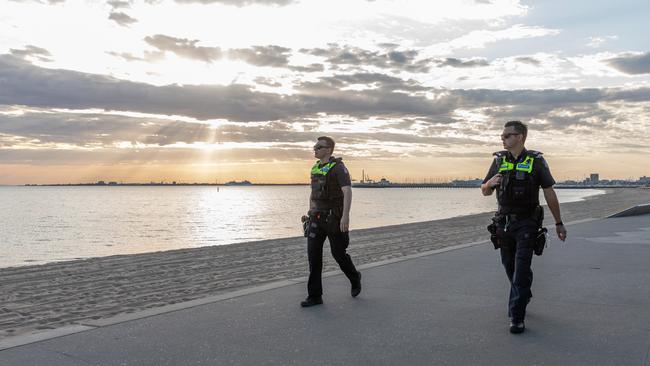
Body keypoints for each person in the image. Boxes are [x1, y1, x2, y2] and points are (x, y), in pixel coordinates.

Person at [481, 121, 567, 334]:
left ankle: (516, 316)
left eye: (507, 135)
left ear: (520, 137)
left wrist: (558, 222)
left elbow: (549, 192)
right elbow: (484, 191)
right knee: (510, 266)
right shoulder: (499, 160)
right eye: (502, 136)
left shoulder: (536, 161)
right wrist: (489, 183)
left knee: (521, 268)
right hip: (503, 223)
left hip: (527, 222)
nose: (503, 139)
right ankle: (524, 294)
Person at [300, 136, 362, 307]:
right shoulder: (315, 168)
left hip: (334, 218)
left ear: (328, 149)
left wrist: (345, 216)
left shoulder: (339, 168)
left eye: (319, 147)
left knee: (338, 254)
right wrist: (309, 212)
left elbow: (347, 192)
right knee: (313, 257)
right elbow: (313, 193)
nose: (315, 149)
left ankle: (354, 277)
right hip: (316, 218)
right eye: (315, 146)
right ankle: (315, 296)